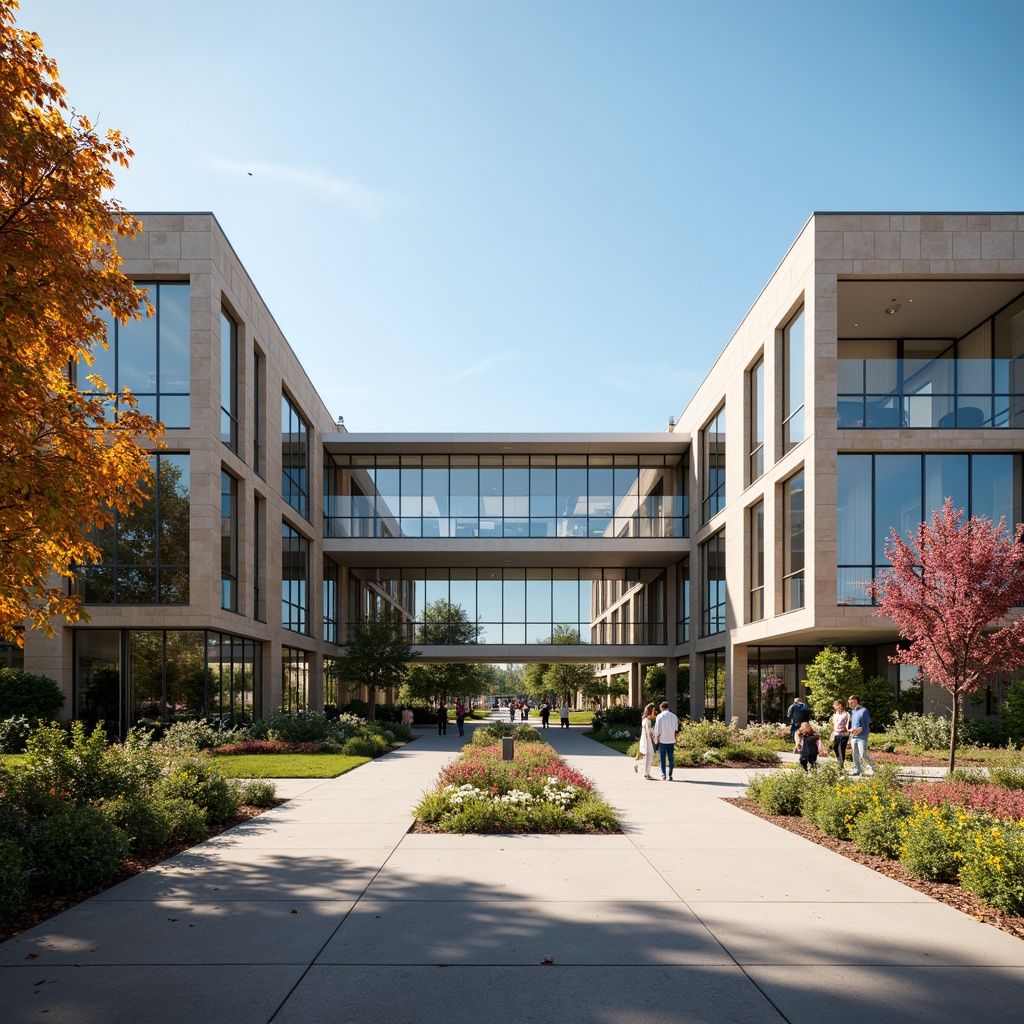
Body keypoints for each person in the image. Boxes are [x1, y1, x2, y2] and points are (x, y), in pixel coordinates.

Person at [848, 694, 876, 776]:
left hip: (862, 736)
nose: (849, 704)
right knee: (855, 755)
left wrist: (859, 730)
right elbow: (853, 724)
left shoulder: (864, 711)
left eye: (851, 702)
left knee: (863, 754)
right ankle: (858, 770)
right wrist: (851, 732)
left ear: (856, 701)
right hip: (854, 736)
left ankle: (874, 768)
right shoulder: (852, 712)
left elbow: (865, 724)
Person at [653, 701, 679, 780]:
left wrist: (656, 738)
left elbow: (658, 729)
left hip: (663, 740)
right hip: (671, 740)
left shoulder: (660, 716)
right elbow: (676, 730)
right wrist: (676, 738)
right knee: (671, 757)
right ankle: (670, 774)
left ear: (661, 708)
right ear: (668, 707)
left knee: (662, 758)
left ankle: (663, 773)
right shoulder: (674, 716)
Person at [635, 702, 657, 779]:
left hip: (646, 739)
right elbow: (648, 730)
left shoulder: (645, 719)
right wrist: (652, 737)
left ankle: (644, 770)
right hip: (647, 740)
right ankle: (646, 773)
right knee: (649, 755)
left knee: (648, 755)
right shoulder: (647, 720)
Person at [830, 698, 850, 773]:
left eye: (835, 705)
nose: (833, 706)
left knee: (841, 750)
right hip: (836, 733)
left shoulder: (846, 714)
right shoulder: (835, 714)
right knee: (835, 748)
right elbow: (834, 724)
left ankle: (841, 767)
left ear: (840, 705)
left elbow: (848, 725)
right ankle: (839, 763)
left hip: (842, 734)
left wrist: (847, 731)